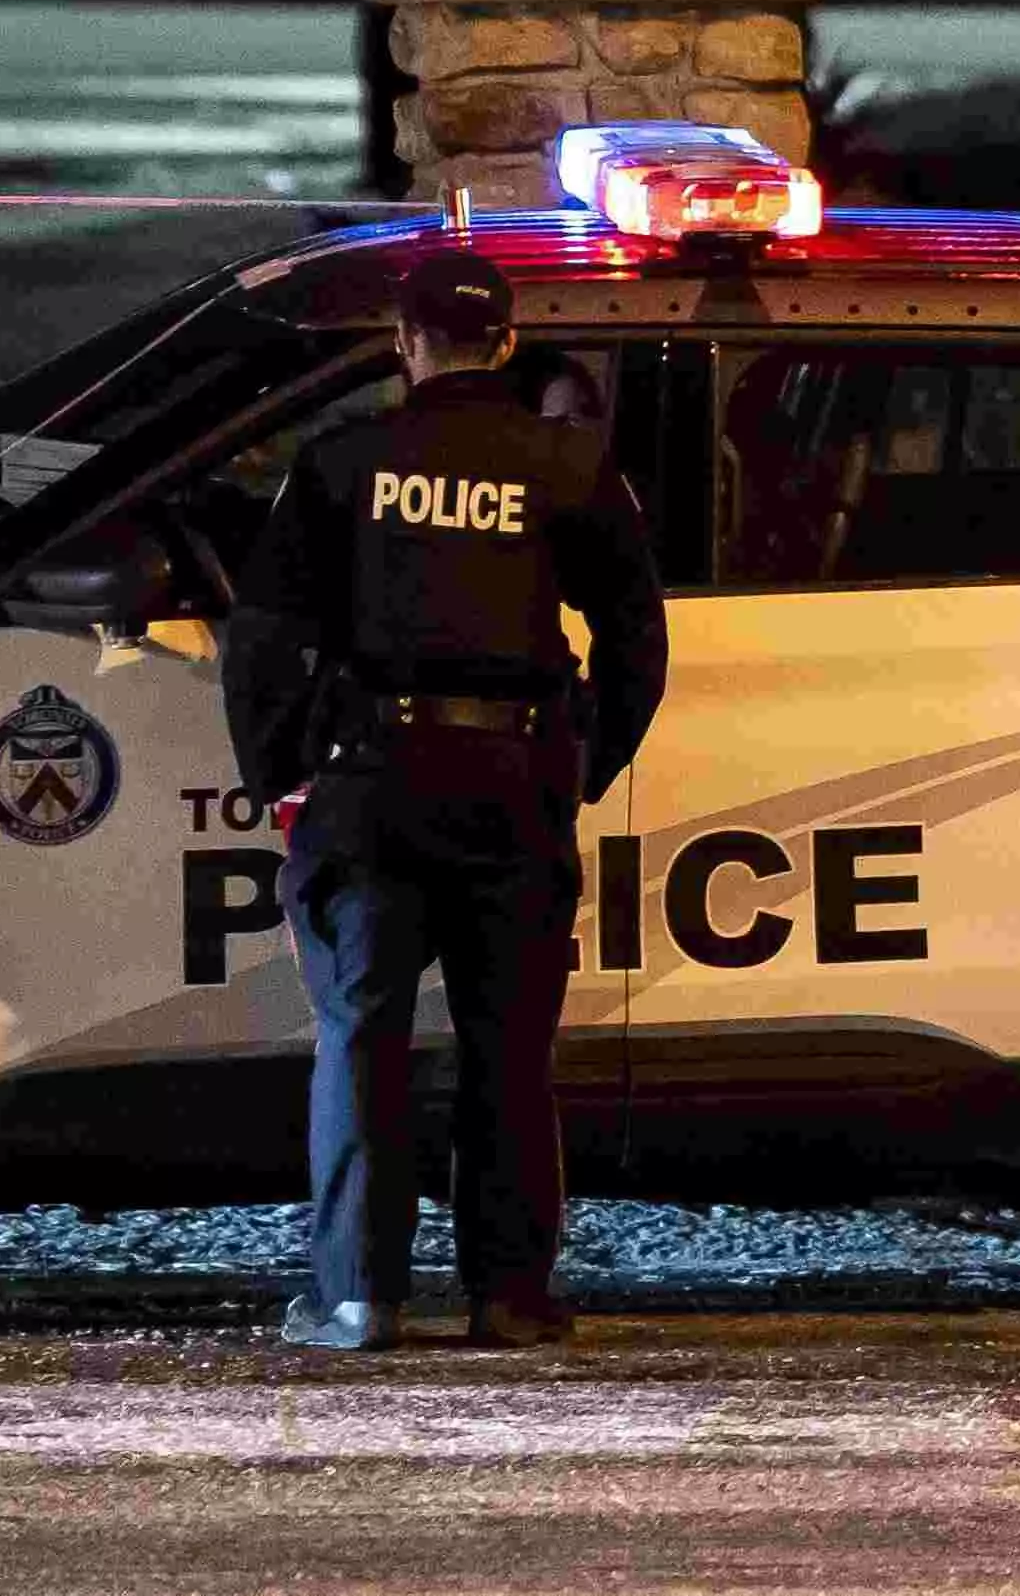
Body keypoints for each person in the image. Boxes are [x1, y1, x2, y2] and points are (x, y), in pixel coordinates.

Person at [226, 245, 666, 1352]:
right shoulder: (568, 465)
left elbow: (266, 635)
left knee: (362, 1031)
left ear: (405, 343)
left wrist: (277, 766)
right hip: (515, 787)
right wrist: (581, 762)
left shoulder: (342, 461)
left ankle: (355, 1296)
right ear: (506, 342)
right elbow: (635, 638)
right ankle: (511, 1298)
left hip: (378, 783)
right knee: (509, 1045)